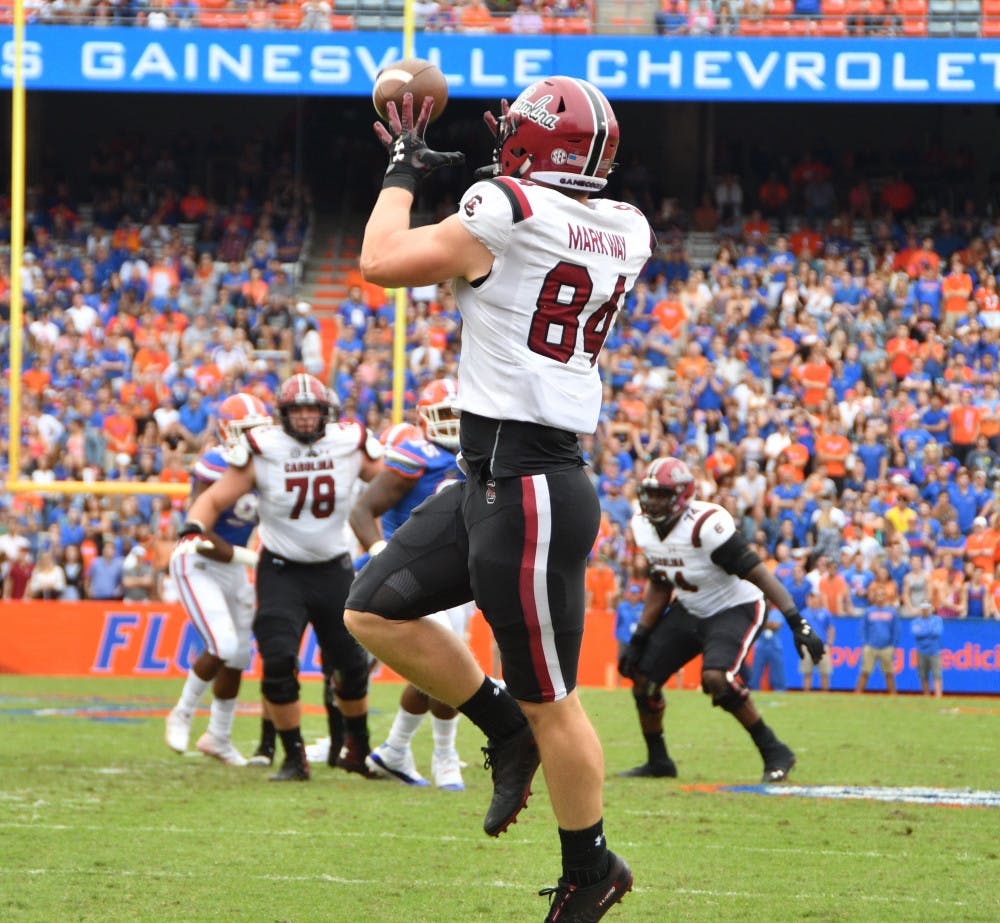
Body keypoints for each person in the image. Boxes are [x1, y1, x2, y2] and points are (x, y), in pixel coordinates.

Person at [344, 78, 650, 920]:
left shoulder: (506, 202)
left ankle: (590, 868)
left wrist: (402, 169)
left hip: (532, 485)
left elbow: (379, 263)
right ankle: (500, 723)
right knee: (372, 609)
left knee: (554, 696)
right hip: (490, 473)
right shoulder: (627, 227)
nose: (501, 137)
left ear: (534, 144)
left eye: (515, 129)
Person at [178, 373, 383, 782]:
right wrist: (194, 527)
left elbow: (390, 483)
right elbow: (214, 497)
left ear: (326, 412)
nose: (306, 418)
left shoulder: (349, 442)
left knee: (350, 666)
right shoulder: (263, 447)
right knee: (276, 660)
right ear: (282, 415)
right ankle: (293, 758)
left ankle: (357, 747)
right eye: (297, 410)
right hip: (281, 569)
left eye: (312, 410)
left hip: (334, 566)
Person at [617, 457, 825, 783]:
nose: (654, 501)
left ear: (682, 495)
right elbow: (660, 581)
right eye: (650, 494)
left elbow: (759, 573)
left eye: (662, 494)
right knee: (642, 676)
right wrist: (640, 636)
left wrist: (797, 621)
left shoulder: (705, 525)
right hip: (691, 606)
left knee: (718, 678)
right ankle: (659, 761)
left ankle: (774, 750)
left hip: (736, 606)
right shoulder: (642, 526)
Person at [316, 379, 473, 792]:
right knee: (446, 664)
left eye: (459, 414)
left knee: (432, 670)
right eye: (445, 415)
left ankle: (395, 748)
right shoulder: (415, 455)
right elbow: (363, 509)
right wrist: (382, 550)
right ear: (425, 420)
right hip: (418, 574)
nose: (454, 424)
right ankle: (443, 756)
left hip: (462, 575)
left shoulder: (480, 455)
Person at [164, 392, 273, 767]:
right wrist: (250, 557)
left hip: (233, 568)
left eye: (260, 431)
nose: (255, 440)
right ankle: (181, 713)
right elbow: (196, 533)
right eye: (248, 431)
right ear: (228, 433)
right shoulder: (216, 463)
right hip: (198, 562)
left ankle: (219, 737)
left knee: (239, 655)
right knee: (223, 643)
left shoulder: (268, 467)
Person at [855, 584, 900, 695]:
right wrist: (865, 643)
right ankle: (857, 693)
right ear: (874, 597)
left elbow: (896, 630)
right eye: (878, 595)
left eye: (882, 595)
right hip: (870, 646)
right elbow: (863, 629)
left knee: (889, 673)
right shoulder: (868, 612)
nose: (880, 597)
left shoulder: (892, 612)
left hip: (886, 647)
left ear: (885, 597)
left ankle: (893, 695)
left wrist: (893, 645)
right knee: (865, 671)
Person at [799, 589, 835, 691]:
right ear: (808, 600)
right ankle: (806, 693)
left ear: (819, 599)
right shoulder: (804, 613)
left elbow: (831, 628)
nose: (813, 600)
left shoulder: (825, 613)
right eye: (811, 598)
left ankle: (825, 693)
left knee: (824, 672)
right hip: (808, 645)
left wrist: (829, 642)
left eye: (815, 597)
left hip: (822, 645)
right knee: (807, 672)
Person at [911, 602, 944, 698]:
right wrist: (929, 630)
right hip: (921, 650)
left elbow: (937, 632)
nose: (925, 611)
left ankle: (938, 695)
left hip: (934, 650)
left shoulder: (937, 620)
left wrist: (924, 631)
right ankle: (926, 694)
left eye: (927, 609)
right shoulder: (916, 621)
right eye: (923, 609)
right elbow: (916, 633)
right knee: (923, 674)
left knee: (937, 674)